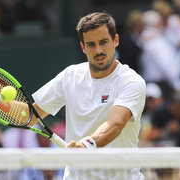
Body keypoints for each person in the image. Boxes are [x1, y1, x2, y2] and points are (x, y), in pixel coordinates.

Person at [31, 12, 146, 180]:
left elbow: (116, 123)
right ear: (83, 47)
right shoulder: (70, 76)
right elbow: (30, 116)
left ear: (116, 40)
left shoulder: (131, 81)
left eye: (103, 42)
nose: (98, 50)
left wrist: (86, 144)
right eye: (91, 44)